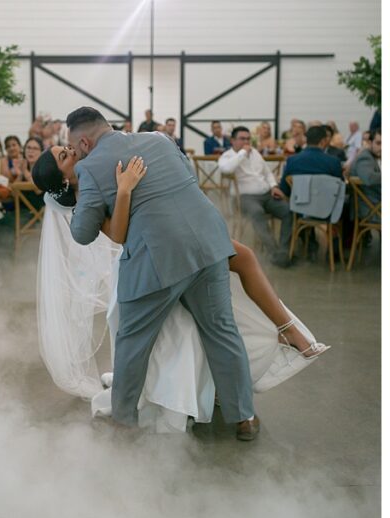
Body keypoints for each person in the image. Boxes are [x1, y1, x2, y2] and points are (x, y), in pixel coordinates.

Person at [32, 142, 326, 433]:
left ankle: (286, 331)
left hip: (176, 234)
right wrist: (124, 190)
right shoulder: (87, 196)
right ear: (62, 178)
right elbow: (118, 235)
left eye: (67, 147)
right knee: (200, 320)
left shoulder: (97, 165)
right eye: (63, 155)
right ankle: (233, 401)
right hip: (147, 256)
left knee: (241, 262)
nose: (71, 151)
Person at [58, 107, 258, 439]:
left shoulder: (90, 167)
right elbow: (184, 179)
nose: (76, 153)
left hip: (157, 258)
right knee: (222, 331)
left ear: (84, 141)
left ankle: (123, 420)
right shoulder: (161, 140)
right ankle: (244, 418)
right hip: (209, 244)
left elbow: (82, 233)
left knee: (132, 341)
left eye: (74, 147)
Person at [219, 126, 293, 266]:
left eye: (248, 139)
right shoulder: (228, 156)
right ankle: (274, 252)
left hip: (266, 195)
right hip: (244, 198)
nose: (246, 142)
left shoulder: (256, 154)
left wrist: (273, 186)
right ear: (233, 140)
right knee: (257, 212)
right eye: (242, 139)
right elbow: (226, 168)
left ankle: (283, 251)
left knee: (288, 210)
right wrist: (241, 153)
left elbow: (267, 172)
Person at [349, 130, 381, 220]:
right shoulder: (365, 157)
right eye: (378, 143)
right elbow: (369, 178)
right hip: (371, 209)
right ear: (370, 143)